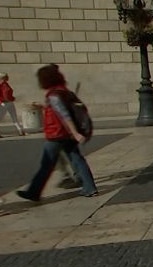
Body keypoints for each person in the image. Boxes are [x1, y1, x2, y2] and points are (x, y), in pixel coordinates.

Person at [17, 64, 98, 201]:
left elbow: (64, 115)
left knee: (47, 164)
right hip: (66, 134)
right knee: (77, 159)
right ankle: (90, 188)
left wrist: (75, 133)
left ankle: (33, 192)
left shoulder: (54, 95)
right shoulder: (64, 92)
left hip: (57, 134)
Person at [0, 72, 25, 137]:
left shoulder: (2, 85)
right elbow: (8, 95)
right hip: (10, 103)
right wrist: (12, 99)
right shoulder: (6, 85)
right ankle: (20, 130)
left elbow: (5, 96)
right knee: (14, 117)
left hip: (3, 103)